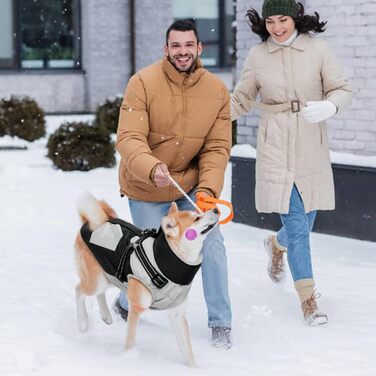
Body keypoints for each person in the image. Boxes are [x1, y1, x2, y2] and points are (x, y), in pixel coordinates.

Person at [231, 0, 352, 325]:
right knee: (298, 226)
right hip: (275, 144)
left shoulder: (318, 49)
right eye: (270, 22)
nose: (277, 28)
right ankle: (309, 300)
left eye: (282, 19)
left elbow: (342, 89)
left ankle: (274, 244)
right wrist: (208, 114)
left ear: (295, 18)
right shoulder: (258, 56)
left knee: (305, 221)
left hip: (311, 143)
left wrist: (331, 107)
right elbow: (241, 99)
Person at [115, 19, 232, 348]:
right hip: (146, 185)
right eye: (175, 46)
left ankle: (221, 324)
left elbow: (216, 148)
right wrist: (151, 168)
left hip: (191, 188)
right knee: (155, 258)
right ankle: (126, 303)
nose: (183, 52)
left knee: (211, 245)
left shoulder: (217, 91)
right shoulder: (142, 83)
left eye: (188, 45)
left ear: (199, 48)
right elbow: (129, 139)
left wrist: (207, 191)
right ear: (166, 49)